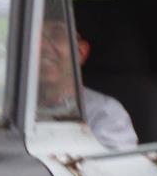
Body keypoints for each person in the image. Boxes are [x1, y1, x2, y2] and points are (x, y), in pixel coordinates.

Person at [38, 17, 138, 150]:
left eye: (57, 35)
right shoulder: (7, 105)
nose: (42, 46)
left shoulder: (105, 113)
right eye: (35, 36)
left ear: (80, 53)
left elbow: (114, 169)